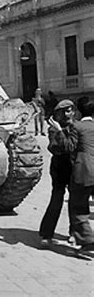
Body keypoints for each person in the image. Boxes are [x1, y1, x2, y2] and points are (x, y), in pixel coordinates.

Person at [38, 99, 75, 247]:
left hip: (74, 167)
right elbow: (55, 148)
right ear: (58, 113)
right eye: (65, 111)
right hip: (60, 167)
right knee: (56, 200)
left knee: (75, 202)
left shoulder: (75, 126)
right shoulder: (53, 129)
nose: (68, 114)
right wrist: (62, 133)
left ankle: (74, 233)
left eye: (70, 110)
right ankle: (47, 234)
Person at [65, 98, 94, 251]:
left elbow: (69, 146)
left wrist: (59, 131)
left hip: (84, 171)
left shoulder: (77, 126)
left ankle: (87, 242)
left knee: (78, 207)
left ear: (78, 111)